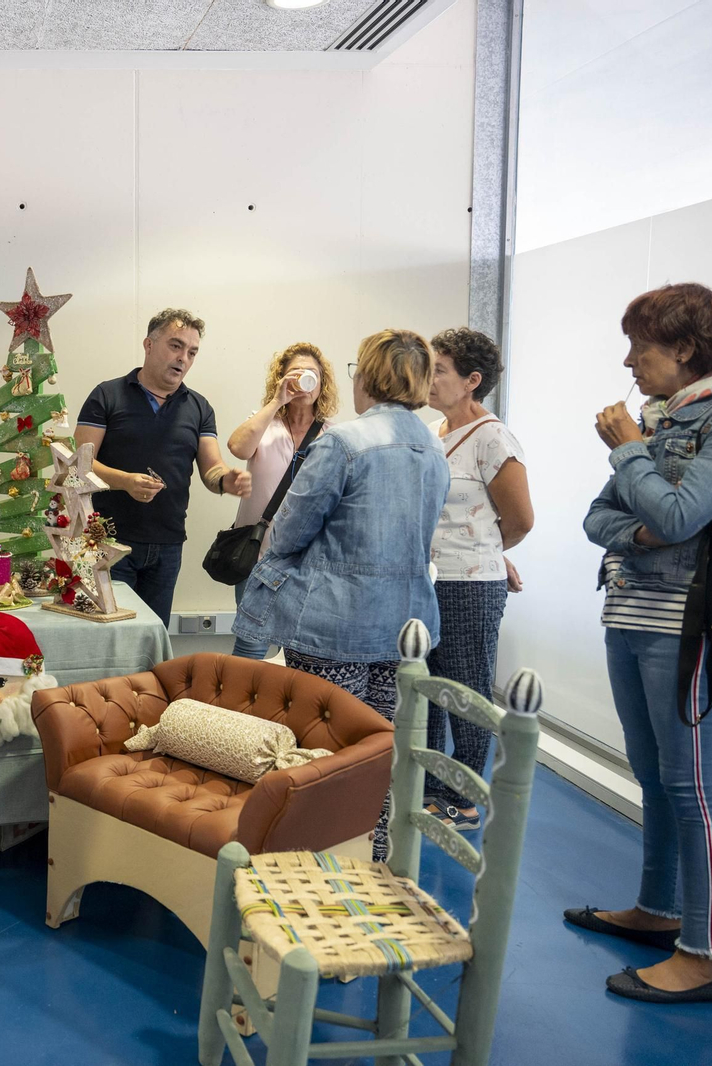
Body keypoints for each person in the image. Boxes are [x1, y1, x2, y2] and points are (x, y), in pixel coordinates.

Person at [569, 282, 712, 1003]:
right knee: (653, 773)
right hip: (633, 613)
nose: (629, 360)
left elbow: (683, 509)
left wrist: (633, 457)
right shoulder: (658, 418)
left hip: (691, 626)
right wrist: (642, 527)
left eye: (641, 345)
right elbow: (600, 517)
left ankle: (708, 951)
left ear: (686, 349)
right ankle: (659, 909)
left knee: (694, 788)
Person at [231, 329, 448, 861]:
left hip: (335, 626)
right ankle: (372, 858)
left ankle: (314, 864)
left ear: (367, 376)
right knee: (383, 754)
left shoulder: (344, 442)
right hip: (407, 629)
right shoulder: (433, 447)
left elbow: (288, 529)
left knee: (323, 756)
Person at [75, 309, 251, 627]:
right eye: (175, 345)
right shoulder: (107, 395)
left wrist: (228, 480)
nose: (183, 358)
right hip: (108, 543)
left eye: (192, 352)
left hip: (168, 547)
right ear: (149, 344)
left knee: (152, 643)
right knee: (109, 639)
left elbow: (212, 471)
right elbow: (78, 465)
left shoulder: (199, 407)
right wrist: (124, 481)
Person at [423, 327, 533, 830]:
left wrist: (489, 553)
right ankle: (427, 788)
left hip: (470, 586)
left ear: (472, 380)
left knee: (465, 692)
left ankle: (464, 800)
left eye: (439, 369)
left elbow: (519, 519)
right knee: (425, 688)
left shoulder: (493, 438)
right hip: (426, 580)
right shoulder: (432, 430)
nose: (429, 376)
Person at [225, 342, 339, 658]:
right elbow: (238, 448)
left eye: (311, 374)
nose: (304, 380)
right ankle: (240, 708)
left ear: (322, 384)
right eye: (295, 373)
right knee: (250, 643)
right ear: (281, 378)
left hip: (308, 562)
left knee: (301, 649)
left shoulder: (333, 436)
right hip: (257, 553)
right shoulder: (265, 423)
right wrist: (278, 400)